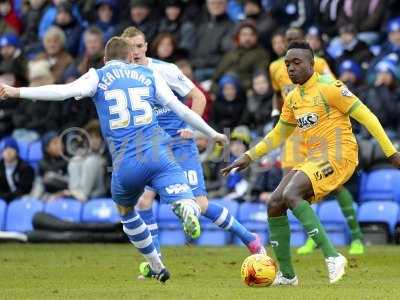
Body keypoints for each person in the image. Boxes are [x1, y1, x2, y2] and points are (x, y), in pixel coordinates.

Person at [0, 36, 228, 283]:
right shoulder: (149, 75)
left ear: (105, 59)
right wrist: (212, 133)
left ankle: (157, 265)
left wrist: (16, 91)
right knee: (186, 196)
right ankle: (185, 207)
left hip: (126, 162)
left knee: (127, 211)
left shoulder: (97, 76)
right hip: (159, 154)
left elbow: (61, 91)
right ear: (131, 57)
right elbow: (181, 109)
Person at [222, 41, 400, 285]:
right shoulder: (293, 98)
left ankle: (333, 256)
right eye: (287, 64)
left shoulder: (331, 88)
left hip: (341, 155)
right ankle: (287, 275)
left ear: (312, 64)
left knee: (292, 192)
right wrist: (248, 156)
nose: (291, 68)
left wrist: (391, 152)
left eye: (297, 63)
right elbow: (278, 134)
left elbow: (368, 116)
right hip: (315, 159)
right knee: (275, 203)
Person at [121, 27, 266, 278]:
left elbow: (198, 97)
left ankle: (250, 239)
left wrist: (190, 126)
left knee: (200, 204)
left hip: (179, 145)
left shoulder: (166, 70)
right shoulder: (123, 77)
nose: (134, 52)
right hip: (152, 148)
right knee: (143, 201)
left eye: (138, 46)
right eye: (129, 47)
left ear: (146, 46)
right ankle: (157, 265)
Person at [270, 29, 365, 256]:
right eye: (286, 38)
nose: (288, 41)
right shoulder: (276, 68)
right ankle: (312, 238)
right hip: (293, 134)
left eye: (294, 38)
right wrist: (276, 112)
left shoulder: (319, 64)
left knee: (334, 185)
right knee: (289, 189)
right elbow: (277, 94)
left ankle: (356, 236)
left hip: (320, 132)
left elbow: (333, 87)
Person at [0, 137, 34, 203]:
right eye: (5, 149)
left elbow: (25, 189)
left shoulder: (26, 168)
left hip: (22, 199)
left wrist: (8, 197)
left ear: (17, 152)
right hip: (4, 199)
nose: (8, 151)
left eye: (11, 148)